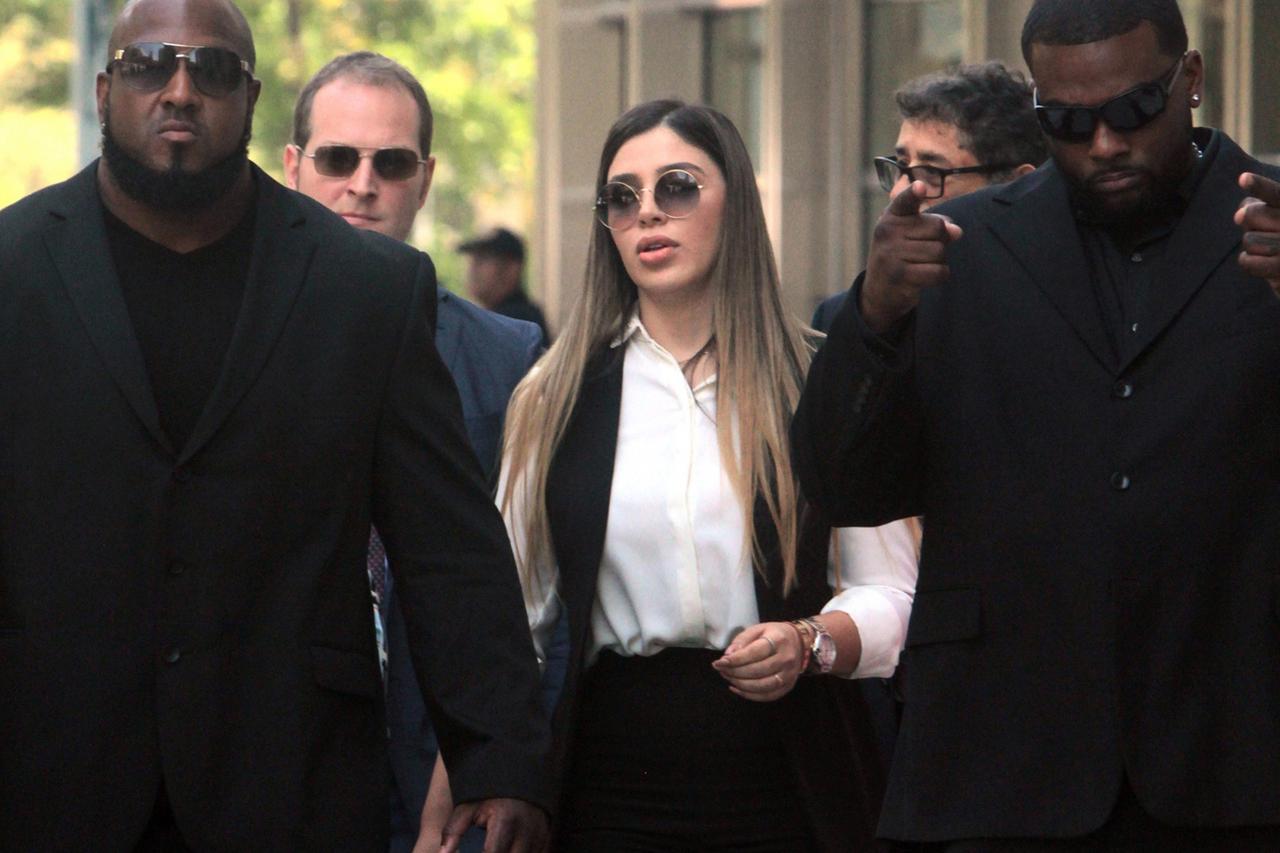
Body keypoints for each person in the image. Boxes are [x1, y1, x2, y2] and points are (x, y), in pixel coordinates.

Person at [0, 0, 550, 849]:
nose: (180, 90)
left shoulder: (367, 289)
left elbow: (448, 544)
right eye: (150, 65)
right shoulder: (14, 267)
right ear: (106, 90)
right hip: (52, 773)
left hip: (291, 777)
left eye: (213, 69)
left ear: (252, 98)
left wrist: (500, 754)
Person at [792, 0, 1280, 848]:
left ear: (1191, 79)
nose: (1105, 143)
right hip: (1004, 768)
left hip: (1237, 757)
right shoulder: (960, 246)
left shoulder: (1270, 230)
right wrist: (875, 316)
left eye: (1134, 109)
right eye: (1069, 121)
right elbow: (844, 486)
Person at [464, 99, 913, 851]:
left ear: (735, 202)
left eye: (677, 187)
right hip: (610, 782)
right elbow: (508, 621)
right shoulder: (554, 394)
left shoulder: (816, 379)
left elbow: (893, 594)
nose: (647, 212)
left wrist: (811, 640)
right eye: (622, 197)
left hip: (794, 775)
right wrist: (487, 773)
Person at [283, 52, 558, 853]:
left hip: (454, 783)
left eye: (392, 163)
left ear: (426, 179)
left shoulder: (508, 358)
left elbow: (542, 588)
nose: (363, 184)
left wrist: (493, 757)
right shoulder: (243, 346)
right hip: (285, 776)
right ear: (294, 168)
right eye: (338, 158)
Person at [812, 61, 1045, 331]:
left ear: (1016, 184)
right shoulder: (848, 317)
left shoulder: (1051, 308)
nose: (898, 192)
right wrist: (875, 314)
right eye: (901, 164)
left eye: (932, 172)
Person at [459, 226, 551, 346]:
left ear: (511, 269)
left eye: (483, 258)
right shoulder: (494, 318)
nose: (472, 268)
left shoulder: (517, 321)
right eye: (471, 259)